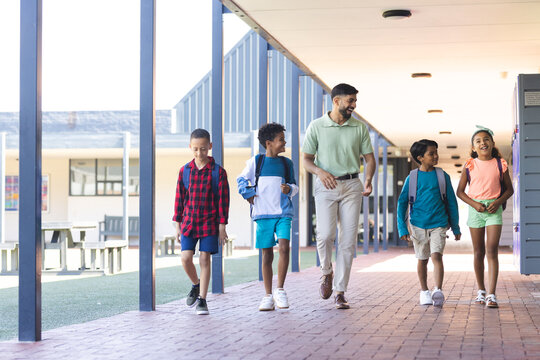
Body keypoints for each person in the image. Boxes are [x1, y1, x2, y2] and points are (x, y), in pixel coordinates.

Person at [302, 83, 375, 309]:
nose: (353, 105)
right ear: (336, 101)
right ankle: (326, 272)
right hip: (326, 186)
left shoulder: (359, 128)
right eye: (350, 101)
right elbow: (306, 159)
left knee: (348, 240)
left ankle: (340, 291)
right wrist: (320, 171)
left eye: (355, 101)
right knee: (325, 235)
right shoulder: (316, 126)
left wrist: (369, 180)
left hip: (352, 185)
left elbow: (370, 159)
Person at [237, 123, 298, 311]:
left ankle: (280, 290)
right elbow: (241, 180)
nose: (284, 142)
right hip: (263, 215)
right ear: (269, 143)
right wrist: (248, 194)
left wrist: (290, 189)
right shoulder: (256, 162)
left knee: (284, 247)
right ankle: (268, 295)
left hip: (283, 213)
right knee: (266, 255)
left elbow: (294, 186)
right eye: (281, 139)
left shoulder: (287, 163)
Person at [397, 139, 461, 307]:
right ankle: (424, 291)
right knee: (422, 259)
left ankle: (438, 289)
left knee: (436, 255)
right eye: (431, 153)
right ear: (420, 157)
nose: (435, 156)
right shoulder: (412, 178)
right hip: (418, 225)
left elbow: (452, 203)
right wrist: (402, 227)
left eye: (436, 152)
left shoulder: (442, 176)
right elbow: (402, 203)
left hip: (439, 224)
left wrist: (455, 227)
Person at [173, 128, 230, 315]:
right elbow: (179, 199)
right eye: (196, 149)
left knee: (205, 259)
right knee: (185, 258)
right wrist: (178, 225)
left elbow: (223, 201)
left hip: (210, 223)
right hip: (189, 222)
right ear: (190, 147)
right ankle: (196, 284)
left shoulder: (218, 173)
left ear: (210, 147)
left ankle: (203, 300)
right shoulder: (184, 171)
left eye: (204, 149)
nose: (200, 153)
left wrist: (222, 226)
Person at [456, 126, 513, 308]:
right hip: (476, 210)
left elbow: (510, 189)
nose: (483, 143)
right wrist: (475, 204)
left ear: (492, 143)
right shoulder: (469, 164)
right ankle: (481, 290)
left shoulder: (500, 164)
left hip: (493, 210)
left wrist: (497, 202)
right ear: (473, 147)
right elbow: (460, 191)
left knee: (492, 250)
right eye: (478, 141)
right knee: (478, 251)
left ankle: (492, 294)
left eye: (486, 139)